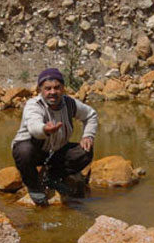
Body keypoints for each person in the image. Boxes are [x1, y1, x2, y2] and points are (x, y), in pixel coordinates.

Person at [12, 68, 98, 206]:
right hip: (34, 149)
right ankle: (33, 185)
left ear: (63, 88)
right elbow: (33, 126)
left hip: (55, 150)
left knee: (85, 151)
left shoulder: (70, 103)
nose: (53, 92)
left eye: (57, 88)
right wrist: (45, 129)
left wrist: (88, 135)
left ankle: (53, 177)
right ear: (40, 89)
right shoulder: (33, 105)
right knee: (24, 151)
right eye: (48, 88)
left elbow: (91, 115)